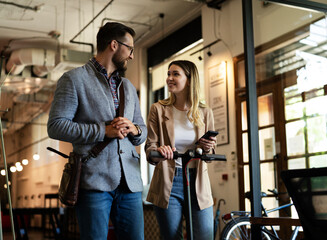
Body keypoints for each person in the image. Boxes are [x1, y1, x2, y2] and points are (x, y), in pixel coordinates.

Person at [47, 22, 147, 240]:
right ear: (114, 45)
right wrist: (103, 131)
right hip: (94, 181)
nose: (131, 55)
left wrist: (134, 128)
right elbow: (56, 126)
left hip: (130, 184)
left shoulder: (128, 87)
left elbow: (143, 131)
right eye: (129, 48)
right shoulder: (74, 80)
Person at [145, 60, 217, 240]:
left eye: (175, 74)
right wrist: (159, 150)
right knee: (171, 237)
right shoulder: (158, 109)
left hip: (198, 180)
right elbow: (149, 147)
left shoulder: (205, 112)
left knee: (205, 235)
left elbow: (210, 152)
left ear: (189, 79)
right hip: (169, 180)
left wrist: (207, 147)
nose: (169, 78)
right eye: (168, 74)